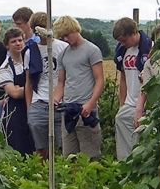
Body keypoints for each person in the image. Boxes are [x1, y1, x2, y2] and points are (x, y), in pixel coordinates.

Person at [52, 16, 104, 158]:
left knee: (90, 156)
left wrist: (90, 104)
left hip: (86, 110)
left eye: (67, 35)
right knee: (69, 156)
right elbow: (61, 82)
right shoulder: (63, 54)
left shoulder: (91, 50)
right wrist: (55, 99)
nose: (65, 39)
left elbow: (99, 80)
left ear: (74, 29)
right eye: (62, 37)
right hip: (68, 110)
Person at [21, 10, 68, 159]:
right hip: (39, 102)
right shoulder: (30, 52)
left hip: (61, 103)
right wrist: (30, 108)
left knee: (64, 148)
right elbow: (28, 82)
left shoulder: (63, 47)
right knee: (41, 149)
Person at [111, 17, 147, 160]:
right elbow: (123, 78)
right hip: (129, 103)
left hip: (144, 105)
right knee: (121, 122)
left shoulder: (148, 48)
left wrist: (141, 107)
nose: (122, 44)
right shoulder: (123, 51)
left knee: (141, 140)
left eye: (124, 40)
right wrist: (122, 104)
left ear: (133, 32)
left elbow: (148, 81)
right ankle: (126, 168)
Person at [0, 28, 35, 155]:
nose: (18, 43)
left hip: (32, 109)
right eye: (14, 41)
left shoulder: (32, 61)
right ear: (7, 45)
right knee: (17, 149)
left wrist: (21, 88)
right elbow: (13, 93)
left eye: (20, 40)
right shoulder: (5, 67)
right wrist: (33, 88)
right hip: (14, 113)